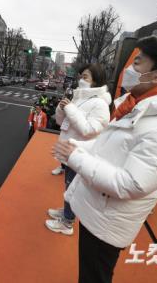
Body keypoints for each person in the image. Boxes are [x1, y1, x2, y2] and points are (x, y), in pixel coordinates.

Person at [52, 36, 157, 283]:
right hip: (98, 209)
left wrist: (76, 158)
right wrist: (78, 147)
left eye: (138, 63)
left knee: (94, 276)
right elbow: (110, 145)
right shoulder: (138, 107)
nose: (129, 70)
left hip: (108, 222)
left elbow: (131, 184)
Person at [46, 63, 112, 236]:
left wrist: (70, 108)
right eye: (81, 76)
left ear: (96, 80)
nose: (81, 80)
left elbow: (89, 130)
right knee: (69, 185)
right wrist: (61, 109)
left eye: (86, 77)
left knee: (72, 185)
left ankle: (67, 222)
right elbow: (62, 122)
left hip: (81, 152)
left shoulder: (100, 103)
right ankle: (67, 212)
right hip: (69, 149)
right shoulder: (79, 98)